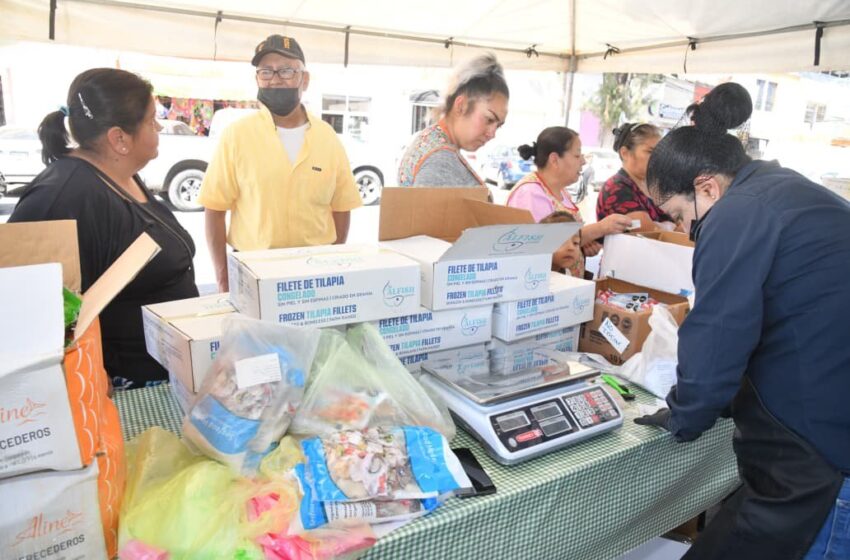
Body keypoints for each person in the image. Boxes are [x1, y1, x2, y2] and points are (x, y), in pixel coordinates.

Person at [634, 82, 850, 559]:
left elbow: (718, 331)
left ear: (706, 186)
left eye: (678, 215)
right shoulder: (787, 192)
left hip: (824, 451)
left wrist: (686, 414)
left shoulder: (736, 215)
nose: (685, 232)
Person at [10, 68, 198, 390]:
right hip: (127, 386)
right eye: (152, 120)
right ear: (119, 138)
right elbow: (22, 305)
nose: (158, 128)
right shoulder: (64, 197)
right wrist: (85, 378)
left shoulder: (120, 174)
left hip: (168, 371)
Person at [199, 34, 362, 292]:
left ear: (304, 79)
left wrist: (331, 260)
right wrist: (222, 278)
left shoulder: (327, 137)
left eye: (286, 71)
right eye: (266, 72)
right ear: (257, 79)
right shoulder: (237, 135)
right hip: (253, 270)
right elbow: (214, 209)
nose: (275, 80)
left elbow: (342, 207)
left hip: (315, 273)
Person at [507, 127, 633, 261]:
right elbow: (541, 244)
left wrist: (582, 244)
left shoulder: (562, 191)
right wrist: (600, 228)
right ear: (555, 160)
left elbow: (563, 239)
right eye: (577, 155)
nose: (583, 161)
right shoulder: (530, 194)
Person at [398, 53, 508, 187]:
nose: (492, 134)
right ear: (461, 105)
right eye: (489, 119)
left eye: (498, 126)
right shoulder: (440, 161)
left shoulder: (428, 140)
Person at [596, 123, 676, 231]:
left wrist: (663, 227)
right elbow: (645, 230)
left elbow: (684, 222)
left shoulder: (655, 186)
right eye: (650, 152)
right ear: (625, 153)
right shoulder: (616, 187)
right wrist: (669, 227)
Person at [539, 211, 584, 278]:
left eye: (575, 242)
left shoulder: (567, 273)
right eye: (562, 241)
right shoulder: (537, 275)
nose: (571, 248)